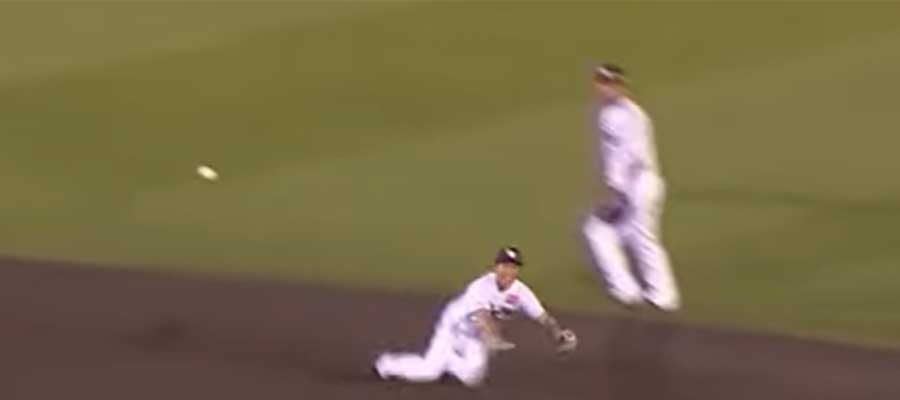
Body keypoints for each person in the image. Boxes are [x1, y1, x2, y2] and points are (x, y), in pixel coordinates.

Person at [372, 246, 577, 387]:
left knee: (472, 377)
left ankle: (447, 361)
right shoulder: (480, 286)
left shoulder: (521, 292)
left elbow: (542, 316)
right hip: (453, 328)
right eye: (504, 265)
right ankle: (386, 364)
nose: (508, 271)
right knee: (428, 371)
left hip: (474, 335)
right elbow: (481, 316)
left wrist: (558, 333)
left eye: (513, 267)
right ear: (496, 267)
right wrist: (492, 337)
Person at [582, 63, 681, 311]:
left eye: (609, 83)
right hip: (629, 187)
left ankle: (663, 295)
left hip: (640, 184)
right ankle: (628, 290)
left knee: (641, 238)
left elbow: (633, 157)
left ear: (621, 86)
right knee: (598, 231)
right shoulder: (607, 113)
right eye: (601, 83)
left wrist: (618, 191)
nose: (603, 88)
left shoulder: (631, 116)